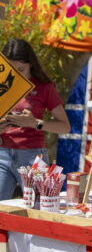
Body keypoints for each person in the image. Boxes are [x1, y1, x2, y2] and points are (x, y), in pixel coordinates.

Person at [0, 39, 70, 200]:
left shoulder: (44, 87)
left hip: (32, 156)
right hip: (2, 153)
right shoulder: (2, 85)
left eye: (21, 69)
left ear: (31, 64)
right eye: (11, 70)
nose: (16, 75)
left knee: (39, 208)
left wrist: (35, 123)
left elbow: (65, 127)